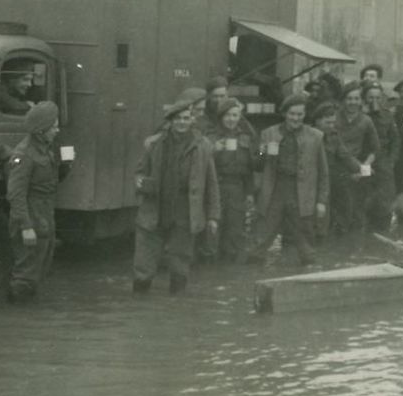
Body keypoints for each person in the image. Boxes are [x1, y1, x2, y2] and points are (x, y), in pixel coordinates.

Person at [132, 97, 221, 295]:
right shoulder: (154, 144)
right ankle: (139, 302)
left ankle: (176, 305)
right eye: (178, 118)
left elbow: (212, 183)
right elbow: (139, 172)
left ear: (192, 120)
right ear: (170, 121)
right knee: (143, 264)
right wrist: (143, 183)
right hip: (155, 209)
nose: (182, 122)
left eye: (186, 118)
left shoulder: (203, 146)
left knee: (180, 263)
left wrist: (213, 216)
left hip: (185, 211)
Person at [249, 94, 329, 266]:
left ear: (305, 115)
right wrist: (262, 151)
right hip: (275, 189)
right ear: (285, 113)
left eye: (300, 114)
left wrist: (321, 201)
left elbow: (323, 173)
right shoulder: (268, 133)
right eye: (292, 114)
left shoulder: (316, 137)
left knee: (306, 244)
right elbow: (257, 165)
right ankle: (250, 278)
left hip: (302, 193)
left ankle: (309, 278)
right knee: (262, 238)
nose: (296, 118)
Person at [6, 101, 68, 302]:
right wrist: (26, 227)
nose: (57, 130)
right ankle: (17, 322)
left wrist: (65, 166)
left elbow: (50, 183)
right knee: (25, 274)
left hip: (44, 216)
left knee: (39, 270)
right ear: (42, 130)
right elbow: (16, 194)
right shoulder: (24, 155)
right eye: (54, 126)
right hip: (31, 217)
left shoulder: (46, 150)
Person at [206, 97, 257, 264]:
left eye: (235, 115)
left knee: (235, 230)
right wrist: (213, 150)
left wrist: (249, 192)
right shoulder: (210, 137)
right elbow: (199, 165)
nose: (231, 119)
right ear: (221, 117)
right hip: (215, 187)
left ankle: (230, 268)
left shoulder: (245, 137)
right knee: (213, 229)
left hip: (237, 187)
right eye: (228, 115)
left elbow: (252, 165)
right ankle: (210, 265)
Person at [312, 101, 361, 242]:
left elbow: (346, 156)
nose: (331, 126)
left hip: (332, 177)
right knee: (318, 215)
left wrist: (365, 170)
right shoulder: (309, 135)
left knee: (345, 206)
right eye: (328, 123)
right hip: (313, 180)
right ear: (317, 121)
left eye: (333, 122)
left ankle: (335, 243)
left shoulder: (333, 136)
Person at [334, 81, 379, 233]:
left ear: (361, 101)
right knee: (337, 212)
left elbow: (374, 149)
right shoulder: (334, 118)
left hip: (358, 171)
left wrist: (363, 170)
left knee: (357, 211)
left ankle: (355, 247)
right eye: (349, 98)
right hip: (336, 168)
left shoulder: (366, 121)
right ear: (343, 100)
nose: (353, 102)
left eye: (356, 99)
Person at [363, 81, 399, 231]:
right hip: (364, 161)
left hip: (383, 163)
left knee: (384, 201)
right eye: (371, 97)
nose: (374, 101)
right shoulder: (360, 115)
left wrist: (390, 161)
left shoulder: (387, 116)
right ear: (365, 98)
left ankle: (382, 234)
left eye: (378, 97)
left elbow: (395, 140)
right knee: (364, 197)